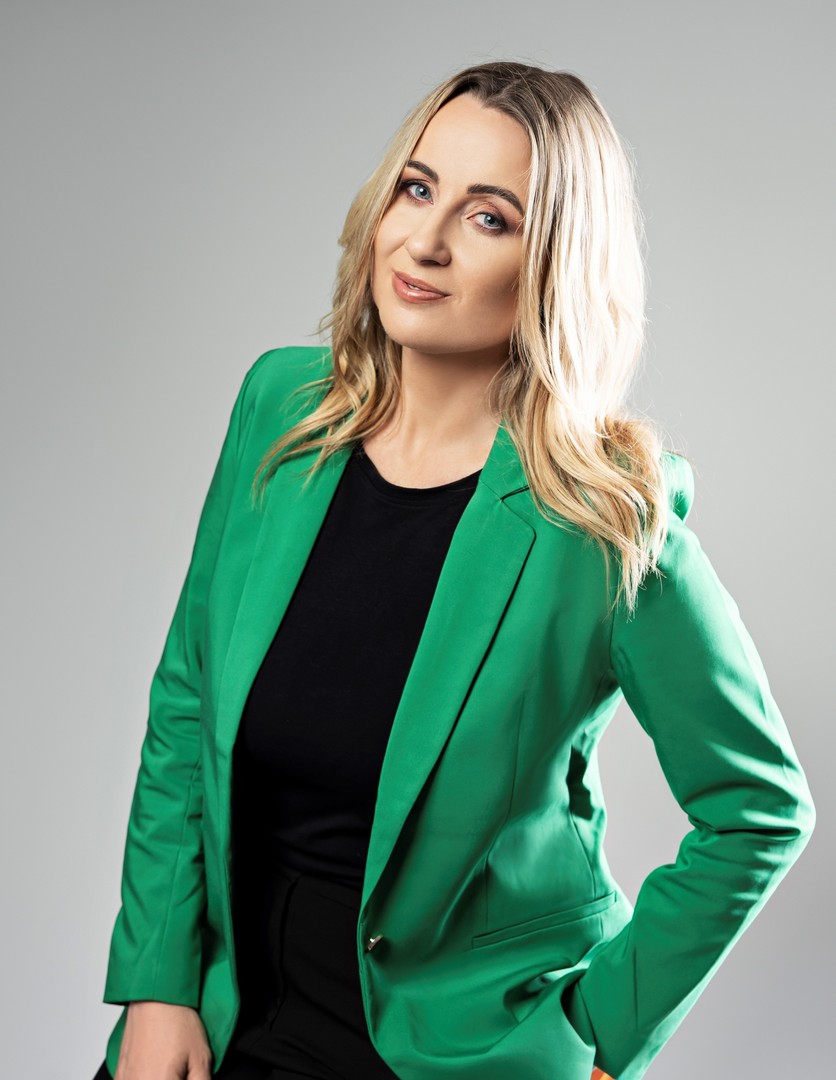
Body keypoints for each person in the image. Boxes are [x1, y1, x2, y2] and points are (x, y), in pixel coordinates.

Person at [92, 61, 815, 1080]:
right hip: (221, 1011)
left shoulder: (602, 524)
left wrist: (598, 1033)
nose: (424, 242)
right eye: (416, 188)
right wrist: (159, 984)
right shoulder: (279, 411)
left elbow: (757, 808)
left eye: (488, 218)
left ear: (553, 263)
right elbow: (187, 700)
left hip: (459, 1048)